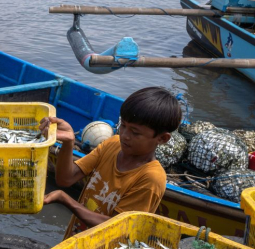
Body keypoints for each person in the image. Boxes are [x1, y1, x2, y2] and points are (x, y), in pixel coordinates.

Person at [41, 87, 181, 236]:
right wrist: (69, 142)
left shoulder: (151, 178)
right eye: (123, 126)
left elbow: (118, 227)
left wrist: (65, 199)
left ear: (162, 138)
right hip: (76, 238)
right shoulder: (113, 145)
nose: (124, 135)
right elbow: (65, 179)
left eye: (135, 132)